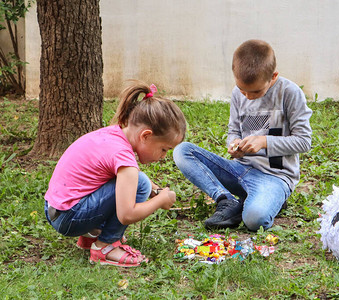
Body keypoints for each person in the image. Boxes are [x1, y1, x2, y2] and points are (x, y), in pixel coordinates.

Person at [173, 39, 313, 231]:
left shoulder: (289, 93)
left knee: (255, 220)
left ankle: (270, 201)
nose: (247, 96)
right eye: (242, 90)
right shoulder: (238, 94)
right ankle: (227, 200)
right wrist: (234, 144)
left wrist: (264, 142)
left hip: (274, 177)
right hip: (239, 170)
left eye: (255, 91)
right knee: (183, 151)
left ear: (273, 76)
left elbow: (304, 141)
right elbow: (234, 131)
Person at [44, 80, 186, 267]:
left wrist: (156, 189)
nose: (163, 156)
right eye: (164, 149)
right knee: (139, 184)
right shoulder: (124, 158)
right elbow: (127, 214)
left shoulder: (113, 135)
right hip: (69, 218)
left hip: (56, 210)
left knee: (139, 181)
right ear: (145, 136)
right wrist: (160, 200)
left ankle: (90, 236)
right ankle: (106, 246)